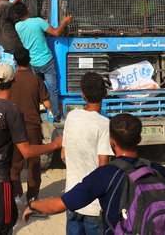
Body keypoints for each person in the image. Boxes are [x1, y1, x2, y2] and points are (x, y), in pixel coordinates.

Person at [23, 114, 165, 234]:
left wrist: (33, 205)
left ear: (112, 142)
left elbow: (58, 205)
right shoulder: (157, 169)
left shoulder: (105, 175)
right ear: (139, 139)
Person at [0, 63, 63, 234]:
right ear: (13, 80)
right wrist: (55, 145)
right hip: (0, 178)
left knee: (6, 217)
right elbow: (26, 151)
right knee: (5, 224)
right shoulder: (12, 111)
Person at [61, 72, 113, 234]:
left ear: (82, 95)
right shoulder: (104, 124)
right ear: (104, 95)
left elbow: (64, 155)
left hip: (72, 198)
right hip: (94, 204)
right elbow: (103, 167)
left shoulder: (71, 116)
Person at [13, 1, 72, 123]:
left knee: (37, 89)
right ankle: (56, 116)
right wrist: (64, 22)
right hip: (46, 61)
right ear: (27, 10)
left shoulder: (17, 27)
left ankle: (37, 113)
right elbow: (56, 32)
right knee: (53, 90)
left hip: (33, 63)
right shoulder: (38, 22)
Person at [9, 47, 51, 205]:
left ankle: (16, 194)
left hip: (13, 127)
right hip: (32, 127)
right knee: (34, 164)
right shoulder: (36, 80)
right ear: (30, 61)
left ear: (15, 61)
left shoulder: (10, 79)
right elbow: (47, 104)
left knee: (14, 164)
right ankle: (32, 199)